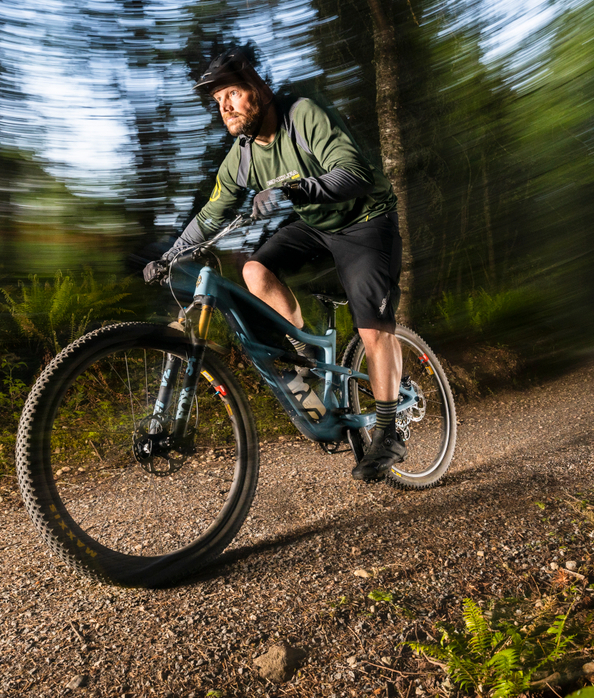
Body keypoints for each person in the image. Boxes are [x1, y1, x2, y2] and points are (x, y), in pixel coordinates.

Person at [144, 47, 405, 482]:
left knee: (371, 328)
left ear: (258, 90)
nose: (224, 106)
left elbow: (354, 172)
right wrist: (169, 256)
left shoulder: (303, 116)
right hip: (317, 224)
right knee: (254, 271)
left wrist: (293, 191)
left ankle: (390, 429)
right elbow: (211, 216)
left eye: (231, 93)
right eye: (217, 101)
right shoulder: (242, 156)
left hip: (365, 220)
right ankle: (305, 359)